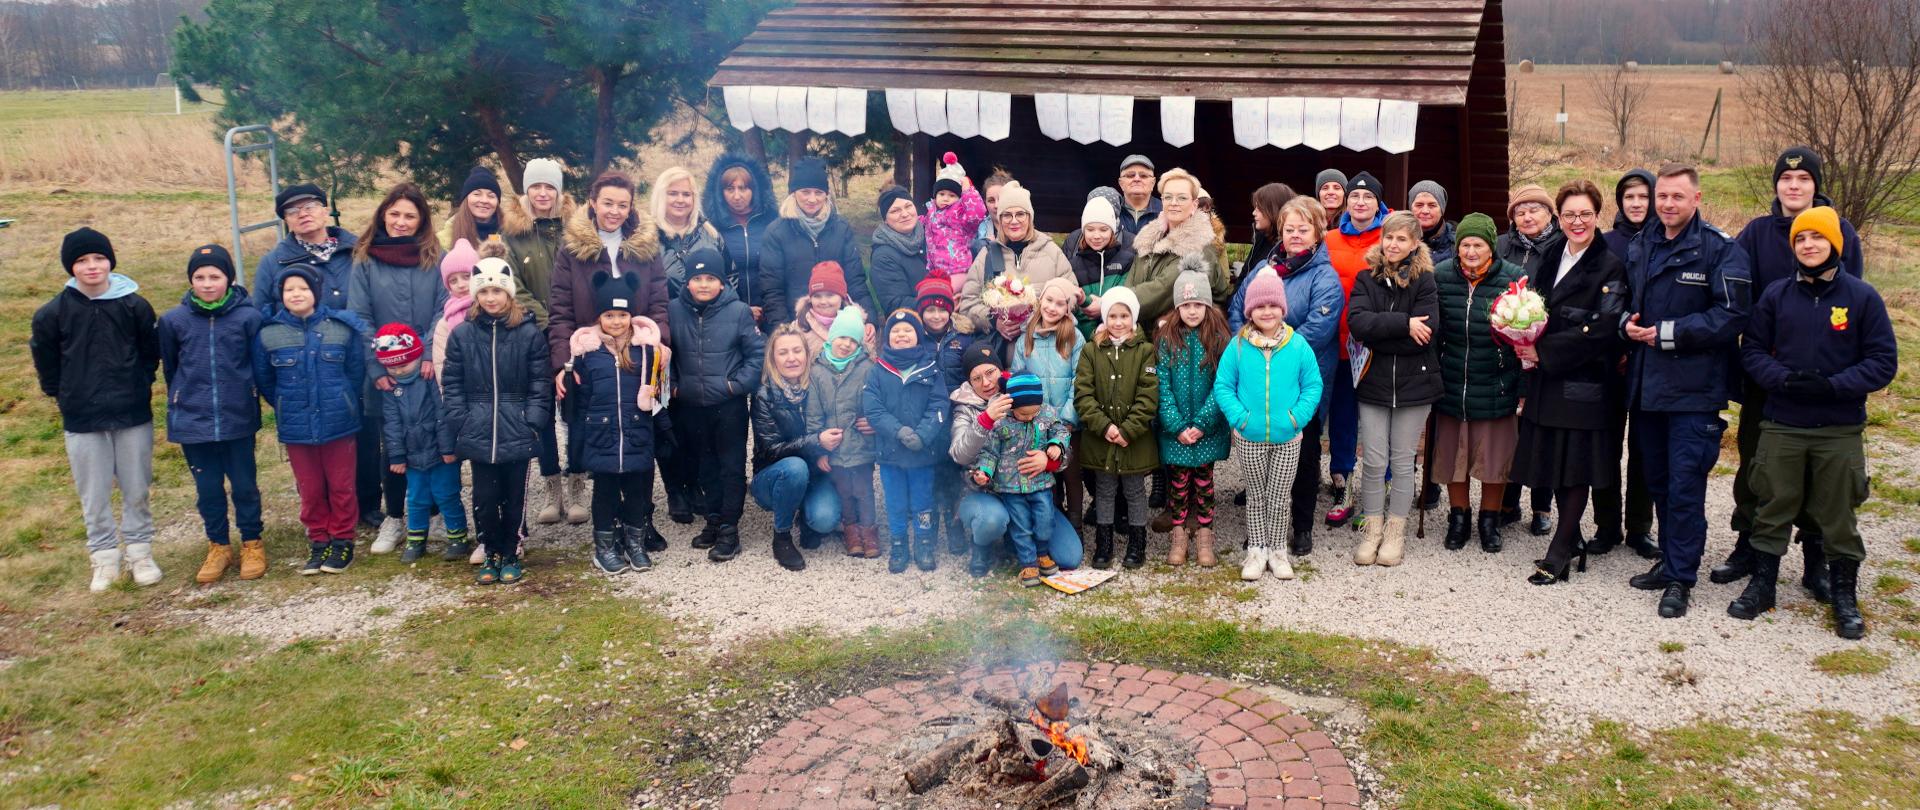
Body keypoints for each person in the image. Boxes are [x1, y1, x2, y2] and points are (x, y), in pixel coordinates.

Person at [1733, 206, 1895, 638]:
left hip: (1837, 428)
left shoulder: (1862, 298)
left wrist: (1834, 385)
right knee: (1772, 506)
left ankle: (1843, 594)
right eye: (1801, 239)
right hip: (1783, 421)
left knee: (1837, 513)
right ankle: (1763, 586)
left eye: (1818, 238)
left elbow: (1882, 362)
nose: (1809, 245)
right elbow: (1751, 352)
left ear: (1835, 245)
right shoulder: (1777, 296)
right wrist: (1782, 380)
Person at [1716, 147, 1868, 596]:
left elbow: (1851, 298)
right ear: (1777, 185)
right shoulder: (1757, 233)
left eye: (1803, 180)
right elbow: (1736, 293)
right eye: (1786, 179)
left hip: (1826, 380)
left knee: (1821, 470)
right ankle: (1749, 542)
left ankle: (1815, 557)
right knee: (1758, 460)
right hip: (1767, 374)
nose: (1794, 186)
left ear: (1815, 185)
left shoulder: (1841, 232)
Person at [1622, 163, 1752, 619]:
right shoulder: (1643, 244)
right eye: (1662, 197)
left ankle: (1681, 577)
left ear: (1696, 199)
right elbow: (1624, 300)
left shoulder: (1719, 249)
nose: (1667, 205)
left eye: (1678, 197)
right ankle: (1670, 562)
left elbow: (1732, 315)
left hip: (1694, 391)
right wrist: (1626, 324)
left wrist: (1670, 333)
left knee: (1684, 485)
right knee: (1656, 479)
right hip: (1647, 388)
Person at [1509, 182, 1629, 584]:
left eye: (1586, 214)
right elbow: (1537, 309)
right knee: (1555, 461)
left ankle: (1559, 551)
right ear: (1559, 218)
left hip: (1585, 381)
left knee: (1575, 466)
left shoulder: (1609, 266)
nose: (1577, 222)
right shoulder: (1550, 257)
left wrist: (1545, 351)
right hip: (1548, 377)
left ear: (1598, 216)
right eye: (1570, 215)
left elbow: (1604, 328)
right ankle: (1571, 537)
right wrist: (1520, 336)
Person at [33, 228, 161, 591]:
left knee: (137, 486)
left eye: (99, 259)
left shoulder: (135, 305)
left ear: (110, 262)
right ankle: (104, 558)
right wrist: (64, 395)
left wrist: (139, 383)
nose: (92, 267)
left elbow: (150, 352)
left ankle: (140, 553)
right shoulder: (52, 314)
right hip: (82, 417)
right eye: (82, 261)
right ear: (71, 267)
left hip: (132, 411)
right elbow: (46, 361)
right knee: (94, 492)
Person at [1232, 197, 1344, 555]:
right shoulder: (1265, 267)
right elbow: (1238, 308)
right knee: (1261, 455)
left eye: (1303, 229)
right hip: (1257, 380)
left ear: (1317, 232)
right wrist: (1248, 346)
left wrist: (1275, 351)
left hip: (1299, 382)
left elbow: (1319, 328)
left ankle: (1301, 525)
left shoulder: (1324, 275)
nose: (1295, 236)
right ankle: (1261, 527)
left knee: (1304, 453)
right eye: (1289, 229)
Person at [348, 182, 447, 552]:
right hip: (386, 373)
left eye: (410, 215)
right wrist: (378, 366)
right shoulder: (364, 259)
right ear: (383, 216)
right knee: (393, 447)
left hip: (425, 368)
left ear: (421, 219)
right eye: (395, 214)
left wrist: (425, 354)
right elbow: (359, 316)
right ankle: (394, 517)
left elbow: (443, 307)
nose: (401, 222)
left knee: (436, 436)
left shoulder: (435, 256)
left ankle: (437, 511)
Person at [160, 244, 266, 583]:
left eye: (215, 276)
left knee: (245, 485)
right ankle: (218, 544)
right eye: (199, 277)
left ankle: (252, 541)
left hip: (237, 416)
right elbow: (171, 366)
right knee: (208, 488)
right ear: (190, 280)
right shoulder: (173, 321)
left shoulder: (248, 317)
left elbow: (256, 363)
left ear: (229, 279)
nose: (207, 284)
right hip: (193, 419)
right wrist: (182, 398)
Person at [443, 260, 553, 585]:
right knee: (485, 497)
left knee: (514, 495)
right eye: (485, 292)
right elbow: (451, 382)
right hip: (478, 427)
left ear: (508, 294)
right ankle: (490, 549)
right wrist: (461, 419)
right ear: (477, 295)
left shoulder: (528, 333)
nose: (491, 298)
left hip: (517, 425)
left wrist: (532, 419)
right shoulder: (462, 334)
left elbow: (539, 382)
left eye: (497, 291)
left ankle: (511, 549)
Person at [253, 267, 367, 576]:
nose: (296, 294)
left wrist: (341, 398)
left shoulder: (340, 328)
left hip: (338, 422)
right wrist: (284, 403)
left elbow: (355, 372)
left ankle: (343, 540)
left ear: (315, 292)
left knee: (342, 485)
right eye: (289, 289)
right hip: (296, 425)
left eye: (302, 288)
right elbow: (265, 379)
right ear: (281, 295)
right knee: (311, 488)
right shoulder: (269, 333)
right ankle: (319, 539)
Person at [1346, 212, 1442, 568]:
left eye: (1402, 239)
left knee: (1402, 461)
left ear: (1415, 243)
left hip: (1415, 385)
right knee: (1373, 460)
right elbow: (1358, 325)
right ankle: (1372, 529)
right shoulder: (1365, 278)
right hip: (1373, 383)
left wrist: (1384, 333)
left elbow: (1425, 338)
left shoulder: (1426, 282)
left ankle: (1395, 531)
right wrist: (1404, 324)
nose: (1393, 245)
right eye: (1389, 238)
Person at [1215, 271, 1322, 581]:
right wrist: (1240, 418)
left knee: (1279, 495)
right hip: (1249, 436)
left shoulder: (1298, 345)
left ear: (1282, 309)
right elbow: (1224, 386)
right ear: (1250, 311)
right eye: (1260, 307)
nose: (1266, 312)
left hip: (1288, 437)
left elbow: (1312, 385)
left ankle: (1277, 551)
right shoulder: (1237, 347)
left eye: (1273, 306)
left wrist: (1295, 418)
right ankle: (1256, 550)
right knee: (1256, 494)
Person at [1432, 213, 1525, 554]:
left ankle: (1490, 519)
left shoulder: (1514, 279)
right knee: (1454, 456)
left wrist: (1522, 387)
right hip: (1452, 379)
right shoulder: (1441, 276)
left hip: (1496, 379)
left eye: (1478, 245)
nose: (1471, 251)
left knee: (1493, 458)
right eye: (1465, 245)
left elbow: (1525, 339)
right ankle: (1459, 518)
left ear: (1491, 248)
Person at [949, 343, 1085, 576]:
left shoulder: (1024, 393)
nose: (986, 383)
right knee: (992, 519)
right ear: (969, 383)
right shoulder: (965, 408)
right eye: (976, 378)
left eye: (990, 373)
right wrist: (985, 420)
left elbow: (1061, 440)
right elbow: (959, 454)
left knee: (1069, 557)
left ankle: (1020, 543)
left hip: (1031, 489)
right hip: (987, 494)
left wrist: (1049, 460)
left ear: (1000, 370)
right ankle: (983, 546)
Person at [503, 159, 589, 526]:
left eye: (549, 187)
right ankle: (552, 486)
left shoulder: (577, 230)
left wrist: (569, 323)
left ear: (559, 191)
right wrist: (546, 320)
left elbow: (586, 277)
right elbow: (513, 284)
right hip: (534, 335)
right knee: (541, 417)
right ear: (526, 190)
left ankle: (577, 486)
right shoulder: (513, 234)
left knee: (577, 412)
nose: (542, 193)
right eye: (536, 187)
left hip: (575, 336)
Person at [568, 271, 670, 575]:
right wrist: (581, 436)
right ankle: (605, 547)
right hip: (602, 435)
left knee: (638, 493)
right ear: (600, 316)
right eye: (609, 315)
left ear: (631, 315)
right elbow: (581, 399)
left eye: (622, 314)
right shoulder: (587, 354)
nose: (616, 321)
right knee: (605, 494)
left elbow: (660, 392)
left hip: (637, 432)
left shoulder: (647, 350)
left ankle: (634, 542)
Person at [667, 246, 764, 563]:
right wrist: (676, 388)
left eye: (711, 278)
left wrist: (735, 386)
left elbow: (757, 355)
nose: (704, 284)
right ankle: (712, 518)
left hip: (728, 405)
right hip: (691, 404)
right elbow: (667, 356)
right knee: (704, 465)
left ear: (722, 282)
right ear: (688, 282)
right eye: (698, 278)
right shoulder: (674, 311)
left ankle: (729, 529)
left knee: (730, 466)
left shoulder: (738, 312)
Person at [1596, 168, 1660, 560]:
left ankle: (1640, 527)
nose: (1637, 204)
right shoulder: (1607, 244)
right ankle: (1606, 526)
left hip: (1652, 360)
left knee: (1644, 447)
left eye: (1643, 197)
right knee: (1605, 446)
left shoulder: (1666, 240)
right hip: (1609, 358)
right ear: (1620, 202)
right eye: (1629, 197)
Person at [1319, 171, 1389, 524]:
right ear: (1347, 204)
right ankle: (1341, 478)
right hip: (1339, 342)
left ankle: (1382, 484)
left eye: (1368, 198)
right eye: (1355, 198)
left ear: (1378, 203)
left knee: (1378, 419)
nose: (1360, 203)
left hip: (1377, 345)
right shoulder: (1329, 239)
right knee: (1343, 417)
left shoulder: (1389, 237)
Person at [1074, 286, 1160, 569]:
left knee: (1135, 490)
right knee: (1104, 490)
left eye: (1124, 315)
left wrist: (1128, 430)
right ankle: (1104, 542)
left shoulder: (1145, 351)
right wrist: (1105, 427)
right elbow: (1083, 395)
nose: (1119, 322)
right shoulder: (1091, 350)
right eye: (1113, 315)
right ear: (1105, 318)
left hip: (1134, 439)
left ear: (1133, 318)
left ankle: (1137, 543)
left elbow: (1149, 395)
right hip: (1102, 438)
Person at [1495, 183, 1564, 534]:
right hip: (1505, 349)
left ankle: (1542, 506)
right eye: (1520, 211)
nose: (1527, 216)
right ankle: (1508, 502)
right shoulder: (1502, 246)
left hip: (1543, 351)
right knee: (1510, 430)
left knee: (1540, 429)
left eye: (1535, 209)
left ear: (1550, 214)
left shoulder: (1561, 246)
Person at [1154, 269, 1231, 567]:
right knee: (1178, 483)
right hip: (1176, 430)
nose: (1192, 311)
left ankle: (1204, 534)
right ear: (1177, 307)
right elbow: (1161, 383)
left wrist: (1201, 425)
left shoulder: (1219, 338)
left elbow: (1222, 384)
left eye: (1198, 305)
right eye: (1186, 305)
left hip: (1205, 428)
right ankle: (1179, 534)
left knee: (1204, 482)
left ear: (1208, 306)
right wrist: (1175, 425)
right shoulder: (1166, 339)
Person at [374, 323, 469, 564]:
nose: (398, 370)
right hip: (413, 456)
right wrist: (396, 456)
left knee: (447, 494)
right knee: (415, 498)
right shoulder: (390, 389)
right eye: (391, 366)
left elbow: (442, 415)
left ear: (417, 357)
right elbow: (392, 425)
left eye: (403, 364)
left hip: (440, 454)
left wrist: (448, 448)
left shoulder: (430, 379)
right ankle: (416, 540)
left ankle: (458, 537)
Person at [865, 310, 952, 572]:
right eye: (895, 332)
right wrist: (899, 431)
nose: (901, 335)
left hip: (922, 453)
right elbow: (873, 408)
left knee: (923, 500)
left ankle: (924, 544)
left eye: (907, 331)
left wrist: (923, 435)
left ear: (918, 337)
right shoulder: (878, 371)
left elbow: (940, 404)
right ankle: (899, 544)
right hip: (891, 452)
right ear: (887, 339)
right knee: (895, 502)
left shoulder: (930, 368)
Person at [751, 323, 841, 571]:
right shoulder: (764, 395)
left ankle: (806, 516)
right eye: (783, 353)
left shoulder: (820, 385)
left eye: (796, 351)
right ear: (773, 358)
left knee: (825, 519)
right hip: (774, 476)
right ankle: (782, 536)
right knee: (795, 467)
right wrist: (816, 442)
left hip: (817, 474)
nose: (791, 358)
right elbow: (770, 450)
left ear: (806, 353)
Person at [971, 373, 1071, 587]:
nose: (1029, 417)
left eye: (1033, 413)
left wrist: (1055, 445)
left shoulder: (1046, 413)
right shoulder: (1000, 423)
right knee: (1021, 525)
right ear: (1012, 405)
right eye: (1023, 414)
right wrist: (984, 472)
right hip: (1010, 487)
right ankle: (1028, 563)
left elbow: (1061, 431)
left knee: (1045, 519)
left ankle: (1042, 554)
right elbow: (989, 452)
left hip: (1040, 483)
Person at [760, 157, 874, 327]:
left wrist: (868, 319)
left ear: (826, 194)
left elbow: (855, 280)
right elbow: (772, 291)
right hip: (796, 323)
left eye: (818, 192)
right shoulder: (776, 233)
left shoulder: (841, 229)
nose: (812, 199)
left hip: (839, 324)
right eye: (805, 192)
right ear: (794, 193)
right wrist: (783, 329)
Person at [1012, 277, 1087, 526]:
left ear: (1068, 308)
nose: (1053, 308)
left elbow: (1080, 379)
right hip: (1036, 421)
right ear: (1040, 300)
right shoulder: (1026, 338)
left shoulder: (1074, 337)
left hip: (1066, 422)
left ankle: (1075, 523)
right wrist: (1028, 413)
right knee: (1046, 473)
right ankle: (1053, 520)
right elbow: (1018, 377)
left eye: (1060, 303)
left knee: (1071, 473)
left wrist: (1067, 418)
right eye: (1049, 300)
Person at [957, 181, 1075, 334]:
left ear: (1030, 217)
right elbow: (967, 304)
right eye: (1007, 215)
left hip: (1043, 344)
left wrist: (1043, 316)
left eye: (1020, 214)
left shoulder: (1051, 252)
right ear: (1000, 219)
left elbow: (1072, 294)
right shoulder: (987, 255)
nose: (1014, 221)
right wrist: (994, 321)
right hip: (1001, 351)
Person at [808, 307, 880, 558]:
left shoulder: (867, 368)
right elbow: (814, 415)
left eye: (853, 340)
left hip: (861, 447)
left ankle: (869, 530)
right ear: (831, 337)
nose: (847, 344)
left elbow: (874, 404)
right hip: (834, 448)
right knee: (844, 492)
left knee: (863, 490)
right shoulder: (817, 371)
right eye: (842, 338)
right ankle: (851, 529)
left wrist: (872, 423)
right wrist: (819, 450)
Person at [1123, 168, 1229, 327]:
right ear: (1162, 201)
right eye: (1168, 197)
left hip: (1181, 341)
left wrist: (1118, 301)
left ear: (1194, 205)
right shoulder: (1148, 241)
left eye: (1181, 198)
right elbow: (1130, 282)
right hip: (1140, 337)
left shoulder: (1201, 249)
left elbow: (1163, 289)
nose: (1173, 203)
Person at [918, 277, 971, 552]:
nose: (936, 315)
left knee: (951, 473)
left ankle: (954, 523)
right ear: (921, 312)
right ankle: (929, 525)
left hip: (954, 414)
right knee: (930, 474)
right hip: (925, 418)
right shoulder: (914, 339)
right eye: (930, 310)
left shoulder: (962, 339)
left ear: (951, 309)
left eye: (942, 309)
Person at [254, 183, 357, 317]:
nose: (302, 214)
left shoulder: (359, 250)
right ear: (286, 220)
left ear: (325, 211)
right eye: (292, 211)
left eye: (310, 207)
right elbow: (261, 314)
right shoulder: (272, 263)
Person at [703, 152, 777, 319]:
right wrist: (740, 309)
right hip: (727, 314)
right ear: (720, 192)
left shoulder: (771, 223)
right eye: (730, 189)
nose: (737, 196)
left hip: (770, 312)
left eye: (743, 188)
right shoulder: (711, 228)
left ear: (754, 190)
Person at [1066, 194, 1138, 341]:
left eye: (1103, 229)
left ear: (1112, 231)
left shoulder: (1127, 260)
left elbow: (1126, 296)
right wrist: (1094, 335)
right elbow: (1077, 309)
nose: (1096, 235)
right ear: (1083, 231)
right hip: (1087, 342)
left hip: (1121, 338)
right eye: (1090, 229)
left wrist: (1104, 306)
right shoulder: (1073, 265)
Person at [652, 165, 724, 303]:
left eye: (686, 194)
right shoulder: (647, 239)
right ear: (660, 196)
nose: (680, 200)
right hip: (667, 319)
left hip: (710, 319)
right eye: (672, 193)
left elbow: (729, 278)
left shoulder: (711, 235)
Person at [924, 153, 988, 284]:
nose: (946, 198)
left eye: (952, 195)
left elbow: (977, 213)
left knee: (947, 295)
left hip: (957, 269)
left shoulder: (960, 215)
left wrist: (968, 192)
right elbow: (925, 223)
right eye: (941, 194)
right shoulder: (932, 212)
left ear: (960, 198)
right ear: (935, 195)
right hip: (935, 268)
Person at [869, 185, 931, 314]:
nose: (904, 214)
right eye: (895, 211)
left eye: (908, 206)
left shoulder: (932, 236)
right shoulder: (883, 256)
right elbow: (895, 303)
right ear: (885, 220)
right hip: (911, 327)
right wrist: (937, 302)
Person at [441, 167, 508, 248]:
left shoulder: (510, 234)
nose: (484, 200)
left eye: (491, 196)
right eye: (477, 194)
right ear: (466, 199)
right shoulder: (445, 238)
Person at [1244, 183, 1295, 280]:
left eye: (1258, 208)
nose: (1253, 213)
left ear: (1273, 210)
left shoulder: (1290, 247)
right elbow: (1244, 275)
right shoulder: (1261, 238)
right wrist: (1235, 295)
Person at [1408, 180, 1457, 266]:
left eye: (1432, 205)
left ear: (1442, 210)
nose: (1425, 211)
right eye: (1419, 205)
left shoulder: (1457, 242)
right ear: (1411, 208)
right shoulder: (1398, 238)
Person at [1115, 155, 1161, 235]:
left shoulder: (1166, 210)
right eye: (1130, 175)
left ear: (1153, 183)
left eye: (1143, 176)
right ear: (1121, 183)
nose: (1137, 179)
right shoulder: (1112, 211)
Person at [1314, 169, 1347, 238]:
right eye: (1325, 188)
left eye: (1337, 188)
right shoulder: (1310, 222)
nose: (1331, 192)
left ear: (1344, 194)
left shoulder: (1353, 222)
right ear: (1318, 194)